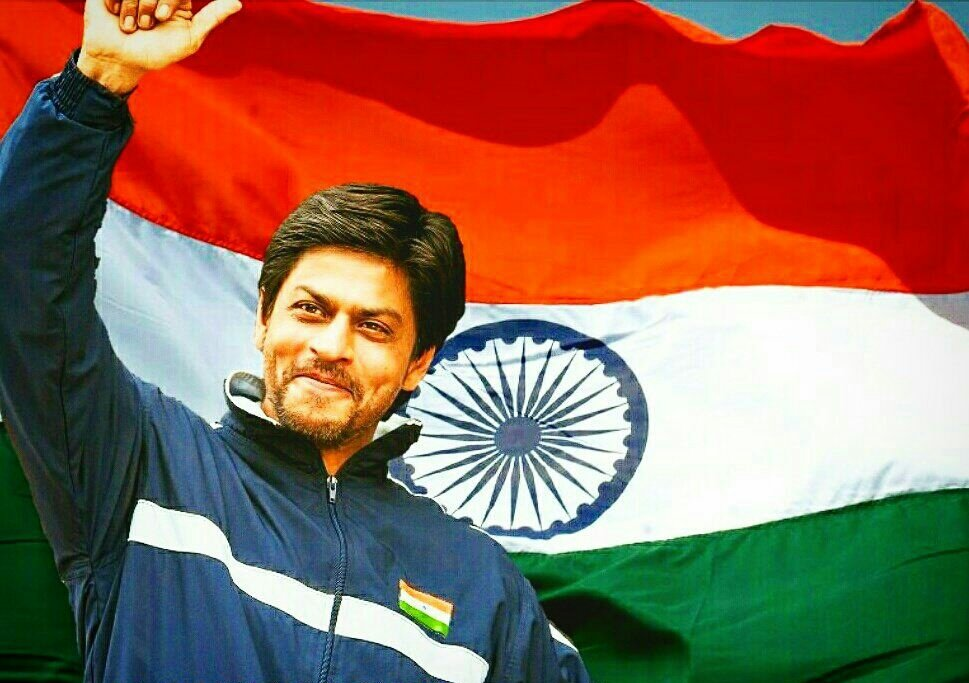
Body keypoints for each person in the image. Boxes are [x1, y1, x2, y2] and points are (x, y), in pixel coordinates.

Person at [0, 1, 591, 681]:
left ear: (417, 364)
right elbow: (22, 271)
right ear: (264, 318)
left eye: (373, 326)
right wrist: (99, 79)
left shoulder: (482, 586)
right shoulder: (137, 462)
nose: (332, 345)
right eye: (311, 309)